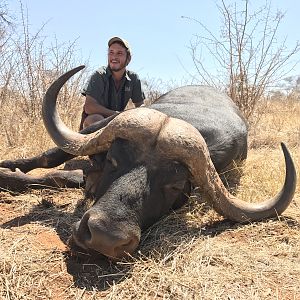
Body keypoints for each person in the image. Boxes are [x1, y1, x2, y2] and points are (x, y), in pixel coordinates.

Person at [80, 36, 145, 130]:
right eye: (111, 52)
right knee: (96, 119)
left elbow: (140, 105)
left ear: (128, 58)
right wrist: (116, 115)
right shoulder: (99, 75)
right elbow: (89, 107)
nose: (114, 57)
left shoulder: (133, 78)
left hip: (119, 123)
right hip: (97, 125)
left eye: (119, 53)